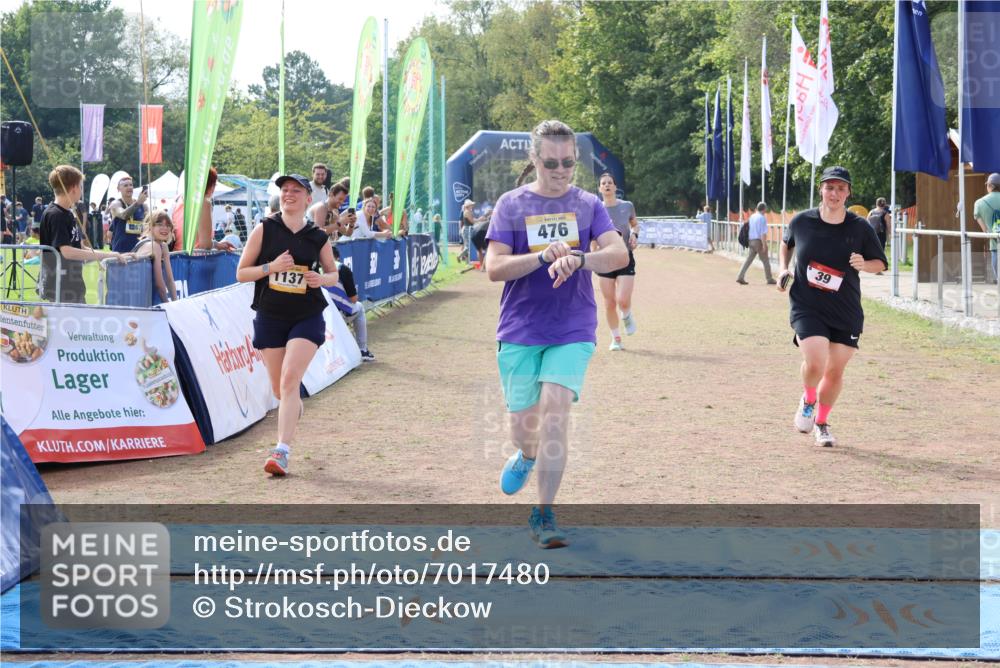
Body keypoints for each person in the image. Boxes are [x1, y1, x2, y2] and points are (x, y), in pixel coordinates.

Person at [485, 119, 628, 548]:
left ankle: (544, 513)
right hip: (520, 328)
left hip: (572, 326)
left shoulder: (587, 205)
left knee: (556, 409)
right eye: (551, 163)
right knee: (524, 426)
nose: (561, 170)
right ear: (534, 159)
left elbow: (618, 252)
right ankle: (526, 455)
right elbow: (494, 268)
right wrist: (541, 256)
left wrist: (582, 259)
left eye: (568, 162)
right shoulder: (511, 205)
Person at [236, 174, 341, 477]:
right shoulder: (264, 229)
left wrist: (321, 279)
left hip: (306, 315)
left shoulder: (317, 236)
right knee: (280, 389)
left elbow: (334, 274)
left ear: (309, 198)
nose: (288, 194)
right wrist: (271, 268)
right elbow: (241, 272)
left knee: (289, 379)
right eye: (284, 190)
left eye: (296, 190)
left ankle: (281, 451)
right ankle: (292, 411)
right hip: (270, 315)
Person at [777, 166, 887, 448]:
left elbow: (880, 263)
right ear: (821, 190)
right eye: (829, 187)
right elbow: (786, 243)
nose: (834, 193)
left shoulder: (860, 227)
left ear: (848, 192)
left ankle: (822, 423)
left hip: (845, 308)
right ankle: (808, 399)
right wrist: (782, 268)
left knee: (834, 371)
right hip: (807, 304)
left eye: (840, 188)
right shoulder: (802, 221)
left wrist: (865, 264)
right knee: (815, 363)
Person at [39, 165, 131, 304]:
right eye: (81, 187)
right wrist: (108, 255)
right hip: (60, 287)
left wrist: (114, 255)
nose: (81, 191)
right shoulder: (55, 215)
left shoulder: (68, 213)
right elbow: (67, 252)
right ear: (74, 188)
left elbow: (79, 247)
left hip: (73, 283)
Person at [595, 172, 639, 351]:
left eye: (609, 183)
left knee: (622, 300)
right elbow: (592, 233)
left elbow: (634, 224)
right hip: (604, 259)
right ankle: (616, 339)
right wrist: (592, 253)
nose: (606, 185)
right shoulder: (596, 209)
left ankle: (627, 314)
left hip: (624, 256)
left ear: (614, 187)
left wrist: (634, 234)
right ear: (599, 188)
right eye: (603, 183)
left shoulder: (627, 206)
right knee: (609, 302)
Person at [326, 245, 375, 361]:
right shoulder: (342, 268)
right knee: (359, 307)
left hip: (316, 316)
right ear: (337, 258)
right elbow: (353, 299)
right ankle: (362, 349)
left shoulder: (314, 267)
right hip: (335, 316)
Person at [133, 209, 177, 304]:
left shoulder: (163, 246)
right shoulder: (154, 246)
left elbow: (169, 279)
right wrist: (168, 306)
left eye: (168, 225)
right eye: (159, 224)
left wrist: (176, 303)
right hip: (135, 296)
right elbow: (159, 284)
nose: (165, 228)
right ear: (150, 226)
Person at [193, 167, 235, 252]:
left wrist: (217, 244)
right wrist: (215, 245)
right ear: (211, 185)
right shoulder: (203, 203)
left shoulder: (179, 200)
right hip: (195, 260)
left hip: (178, 260)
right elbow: (205, 245)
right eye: (214, 185)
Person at [737, 202, 776, 285]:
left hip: (751, 240)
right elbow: (763, 233)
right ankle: (769, 278)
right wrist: (764, 245)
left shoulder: (752, 216)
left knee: (748, 260)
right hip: (758, 241)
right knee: (765, 260)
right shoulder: (762, 218)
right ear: (764, 209)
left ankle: (740, 276)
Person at [108, 176, 148, 253]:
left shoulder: (144, 206)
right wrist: (138, 203)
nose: (129, 187)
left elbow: (148, 224)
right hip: (120, 250)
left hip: (139, 249)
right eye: (125, 185)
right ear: (118, 189)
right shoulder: (116, 204)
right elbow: (123, 215)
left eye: (131, 185)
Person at [973, 172, 1000, 282]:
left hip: (995, 247)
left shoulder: (979, 203)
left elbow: (985, 230)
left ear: (991, 186)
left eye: (987, 185)